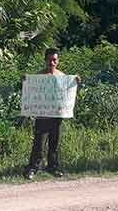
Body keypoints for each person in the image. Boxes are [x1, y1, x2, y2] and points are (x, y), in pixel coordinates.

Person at [23, 48, 79, 180]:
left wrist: (76, 81)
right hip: (42, 116)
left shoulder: (62, 77)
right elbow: (30, 90)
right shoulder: (39, 76)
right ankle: (33, 168)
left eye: (54, 60)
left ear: (58, 61)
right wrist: (25, 81)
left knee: (55, 143)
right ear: (45, 60)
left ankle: (53, 167)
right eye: (49, 60)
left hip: (57, 115)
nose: (52, 62)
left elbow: (68, 92)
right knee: (39, 144)